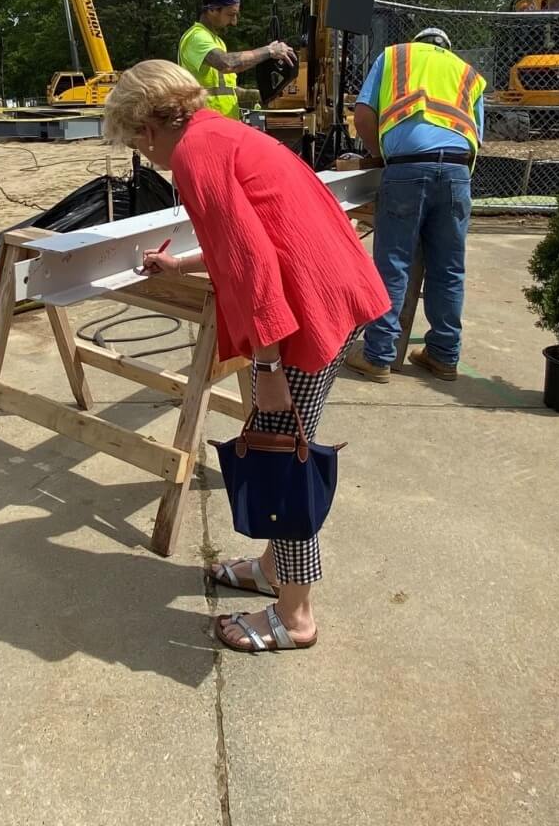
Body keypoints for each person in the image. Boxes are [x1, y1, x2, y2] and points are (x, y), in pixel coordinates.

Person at [104, 60, 387, 653]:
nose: (140, 150)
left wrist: (267, 366)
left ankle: (295, 615)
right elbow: (249, 232)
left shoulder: (192, 155)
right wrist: (181, 264)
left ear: (148, 124)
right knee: (282, 446)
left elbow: (253, 265)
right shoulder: (222, 133)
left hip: (306, 311)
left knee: (282, 461)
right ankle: (272, 570)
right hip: (330, 292)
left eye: (134, 138)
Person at [344, 27, 486, 383]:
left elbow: (363, 116)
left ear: (420, 42)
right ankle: (443, 355)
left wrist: (379, 155)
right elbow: (477, 137)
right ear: (446, 48)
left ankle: (378, 355)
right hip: (456, 172)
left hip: (407, 167)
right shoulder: (468, 73)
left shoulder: (395, 56)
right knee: (449, 268)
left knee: (394, 263)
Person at [176, 0, 296, 120]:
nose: (234, 22)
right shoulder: (196, 37)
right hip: (205, 126)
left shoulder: (216, 41)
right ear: (212, 9)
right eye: (231, 14)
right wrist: (269, 51)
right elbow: (227, 63)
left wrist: (257, 95)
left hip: (219, 125)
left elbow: (223, 91)